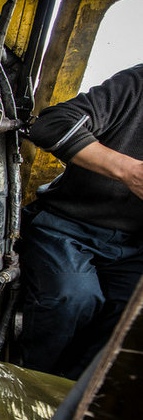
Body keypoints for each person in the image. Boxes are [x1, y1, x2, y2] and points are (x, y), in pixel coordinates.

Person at [20, 64, 143, 379]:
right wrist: (130, 172)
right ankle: (29, 384)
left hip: (136, 248)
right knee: (71, 298)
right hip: (66, 226)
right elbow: (50, 124)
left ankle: (71, 403)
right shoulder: (136, 84)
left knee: (133, 321)